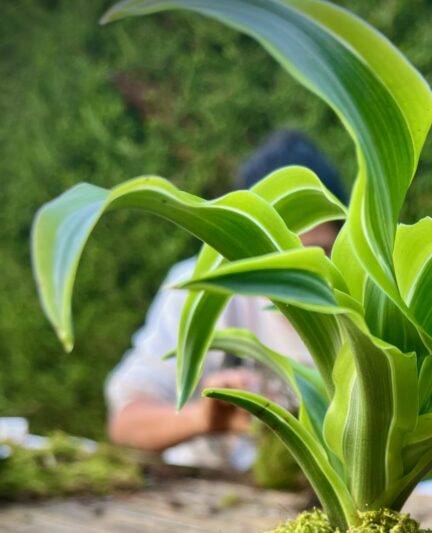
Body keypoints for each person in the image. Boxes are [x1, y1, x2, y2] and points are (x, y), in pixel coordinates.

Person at [105, 131, 346, 470]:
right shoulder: (202, 288)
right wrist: (204, 417)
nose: (300, 278)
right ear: (243, 249)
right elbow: (126, 423)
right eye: (280, 258)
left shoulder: (361, 309)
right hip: (209, 484)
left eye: (318, 255)